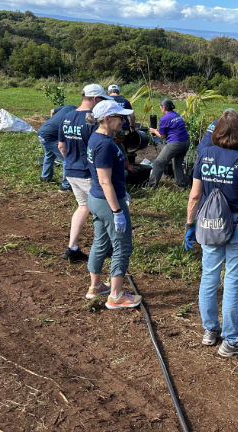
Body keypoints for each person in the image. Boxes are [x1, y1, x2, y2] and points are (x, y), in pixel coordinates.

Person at [184, 110, 238, 357]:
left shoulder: (205, 155)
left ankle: (210, 331)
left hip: (209, 222)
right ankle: (231, 341)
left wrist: (190, 225)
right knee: (232, 280)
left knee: (208, 276)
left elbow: (195, 195)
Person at [84, 100, 142, 309]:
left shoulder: (98, 138)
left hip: (97, 199)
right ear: (107, 119)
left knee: (101, 242)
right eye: (120, 117)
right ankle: (116, 295)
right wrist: (117, 210)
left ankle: (96, 286)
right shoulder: (105, 145)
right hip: (108, 202)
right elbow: (104, 180)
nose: (124, 121)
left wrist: (122, 189)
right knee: (122, 246)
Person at [58, 83, 112, 262]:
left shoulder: (67, 116)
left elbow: (61, 146)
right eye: (102, 100)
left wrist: (70, 161)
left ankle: (72, 247)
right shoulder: (91, 120)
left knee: (83, 207)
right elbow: (95, 149)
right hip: (88, 173)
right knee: (102, 209)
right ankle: (105, 247)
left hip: (71, 170)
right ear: (95, 99)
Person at [149, 98, 190, 188]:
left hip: (175, 143)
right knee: (177, 163)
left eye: (160, 107)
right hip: (185, 142)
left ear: (163, 107)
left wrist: (154, 131)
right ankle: (181, 184)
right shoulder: (176, 115)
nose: (160, 108)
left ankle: (152, 185)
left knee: (159, 162)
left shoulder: (165, 118)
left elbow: (162, 136)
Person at [37, 103, 76, 190]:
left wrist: (52, 122)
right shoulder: (75, 115)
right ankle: (66, 186)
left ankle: (45, 177)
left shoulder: (69, 106)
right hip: (50, 136)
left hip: (42, 132)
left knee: (49, 155)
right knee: (67, 159)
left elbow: (52, 111)